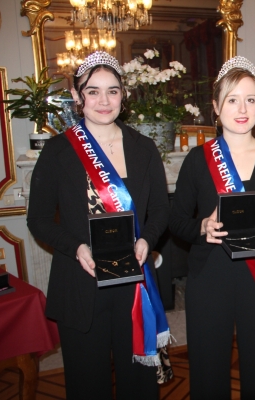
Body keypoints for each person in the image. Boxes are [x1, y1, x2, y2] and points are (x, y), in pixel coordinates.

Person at [27, 51, 170, 400]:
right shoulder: (58, 151)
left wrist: (147, 241)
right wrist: (77, 247)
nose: (103, 101)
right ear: (77, 97)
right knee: (87, 385)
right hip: (80, 283)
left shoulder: (144, 147)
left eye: (113, 91)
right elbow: (39, 219)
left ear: (124, 95)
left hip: (133, 284)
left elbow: (162, 211)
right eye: (93, 91)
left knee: (138, 383)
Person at [169, 56, 255, 399]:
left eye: (251, 99)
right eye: (232, 100)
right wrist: (202, 227)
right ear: (216, 107)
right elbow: (176, 220)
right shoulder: (198, 160)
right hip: (210, 279)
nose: (242, 108)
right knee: (209, 375)